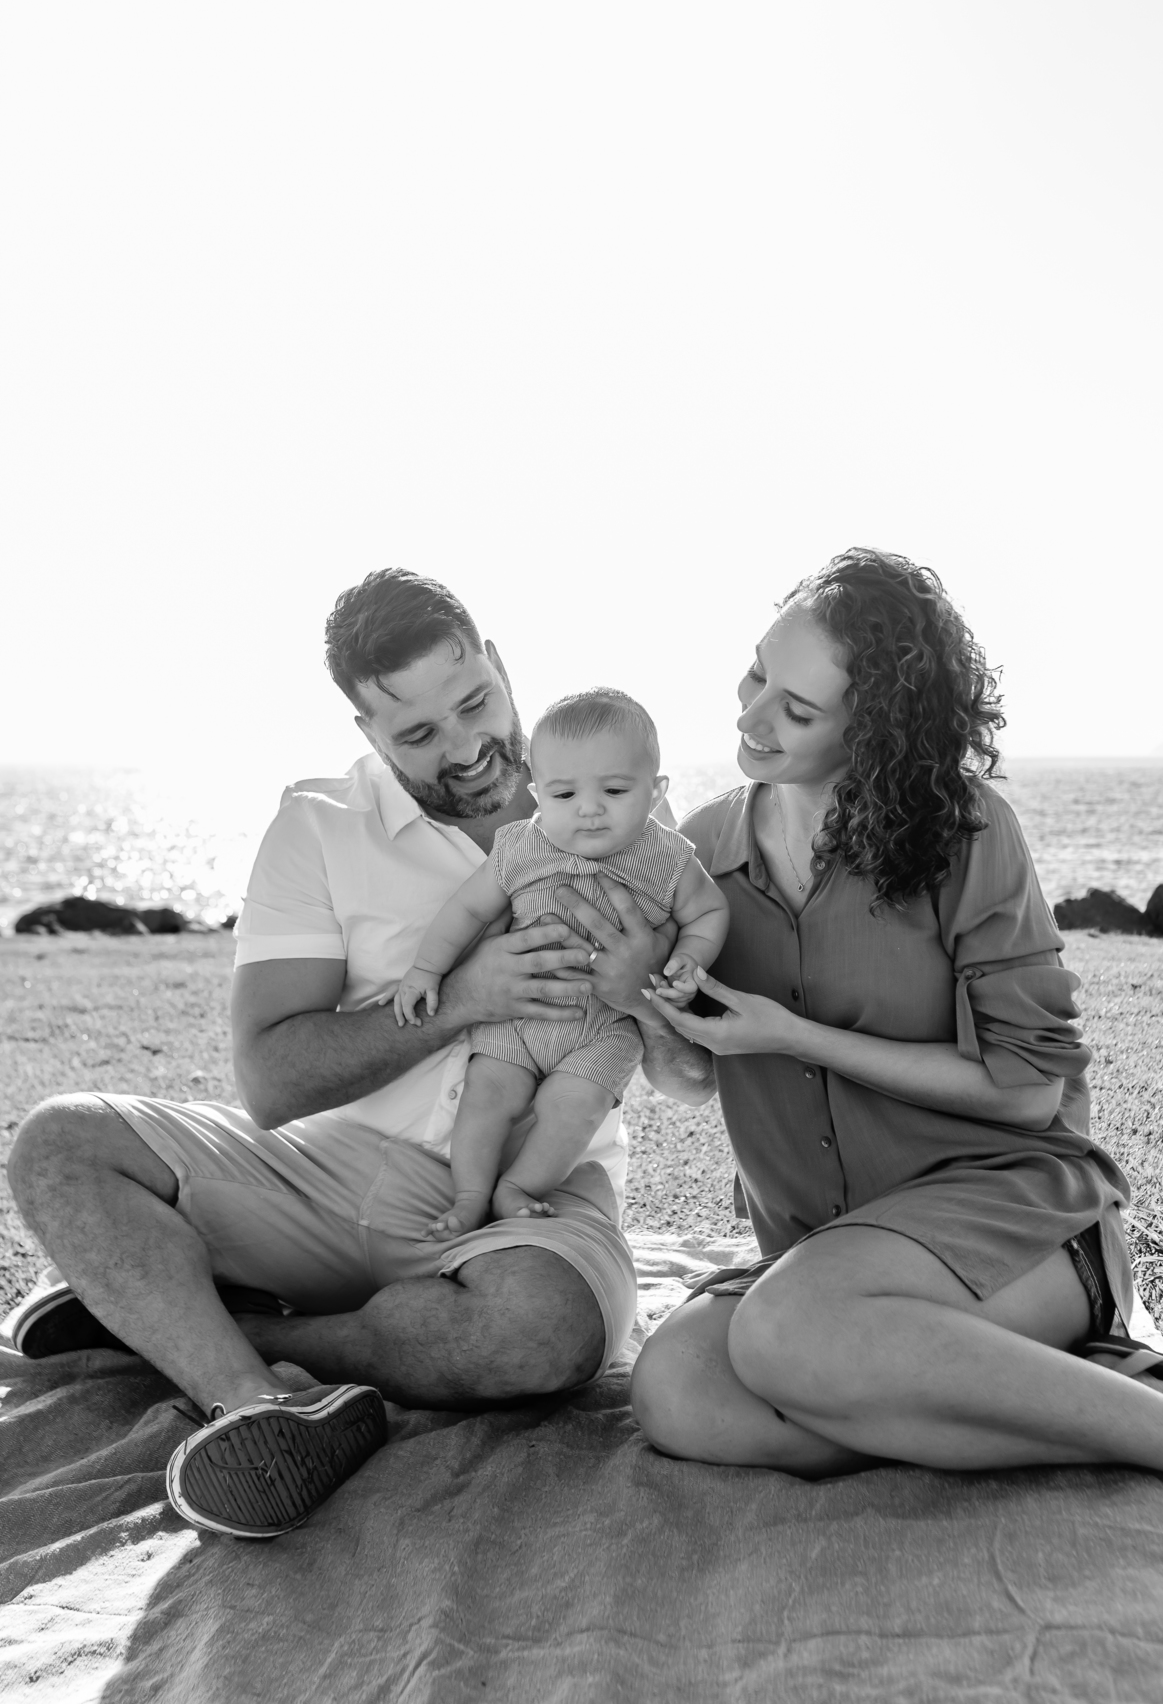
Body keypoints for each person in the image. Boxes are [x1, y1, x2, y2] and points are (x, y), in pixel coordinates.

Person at [4, 568, 712, 1539]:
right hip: (330, 1175)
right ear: (367, 731)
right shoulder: (317, 826)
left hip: (531, 1198)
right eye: (417, 733)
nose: (466, 748)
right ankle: (252, 1402)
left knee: (543, 1333)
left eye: (476, 704)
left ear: (501, 666)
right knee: (59, 1145)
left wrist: (642, 996)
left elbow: (691, 1078)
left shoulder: (617, 812)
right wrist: (463, 1000)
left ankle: (198, 1324)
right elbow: (270, 1080)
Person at [632, 548, 1163, 1483]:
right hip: (821, 1258)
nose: (751, 715)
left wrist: (795, 1035)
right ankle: (1102, 1398)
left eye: (797, 709)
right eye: (756, 673)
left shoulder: (965, 831)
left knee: (787, 1331)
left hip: (1018, 1228)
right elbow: (690, 1078)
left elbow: (1028, 1093)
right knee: (676, 1388)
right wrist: (641, 996)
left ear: (873, 731)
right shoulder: (699, 854)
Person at [397, 687, 728, 1239]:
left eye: (615, 790)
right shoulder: (519, 846)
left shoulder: (669, 855)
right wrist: (425, 970)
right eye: (565, 793)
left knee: (575, 1107)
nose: (589, 808)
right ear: (538, 795)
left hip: (605, 1029)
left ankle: (516, 1188)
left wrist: (689, 959)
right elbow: (467, 909)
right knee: (487, 1095)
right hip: (519, 1016)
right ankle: (469, 1197)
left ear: (655, 792)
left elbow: (709, 910)